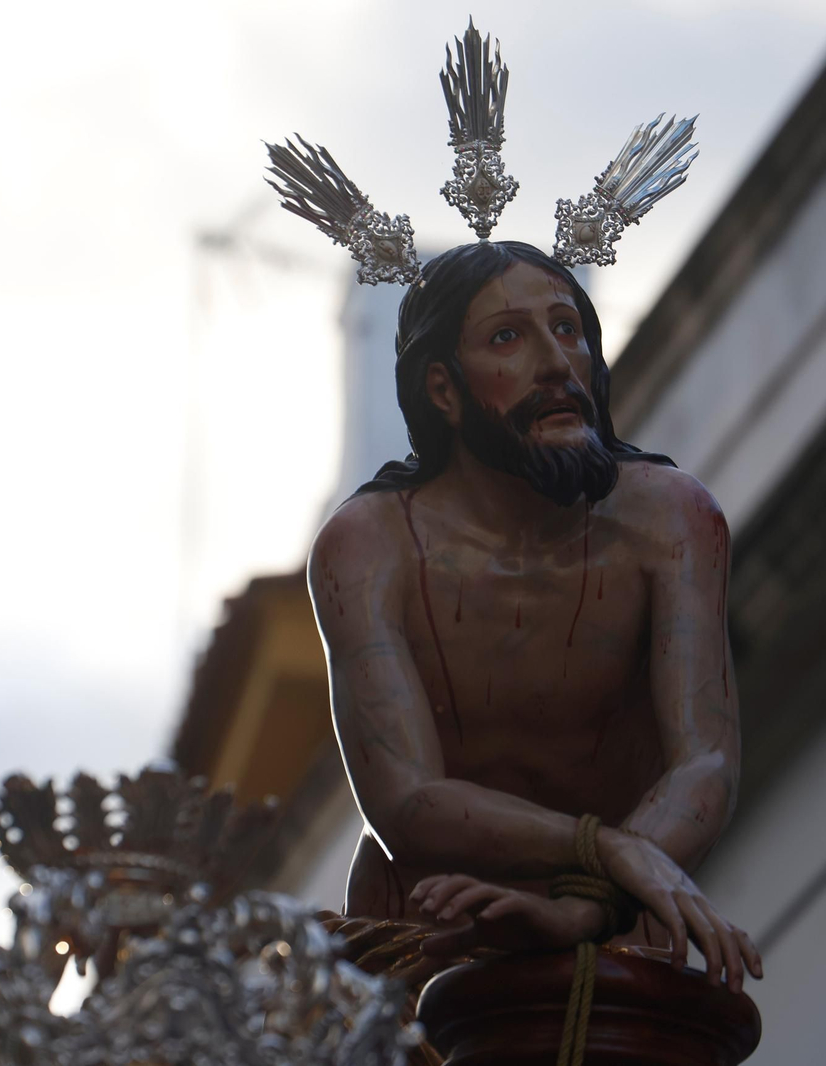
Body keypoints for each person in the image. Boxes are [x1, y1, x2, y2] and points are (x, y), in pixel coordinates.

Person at [308, 239, 763, 994]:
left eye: (567, 328)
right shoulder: (370, 546)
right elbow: (407, 800)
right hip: (429, 937)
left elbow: (705, 760)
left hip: (620, 929)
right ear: (443, 389)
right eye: (507, 337)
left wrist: (587, 906)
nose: (555, 364)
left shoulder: (671, 519)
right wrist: (608, 851)